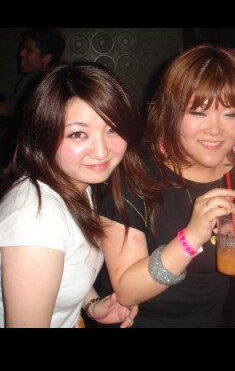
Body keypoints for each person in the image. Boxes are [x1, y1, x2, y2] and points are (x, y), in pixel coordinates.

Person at [95, 44, 235, 328]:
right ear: (172, 113)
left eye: (230, 114)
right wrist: (191, 238)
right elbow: (127, 291)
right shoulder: (137, 173)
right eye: (199, 112)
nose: (215, 130)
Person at [0, 62, 142, 328]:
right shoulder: (35, 220)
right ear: (44, 133)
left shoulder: (78, 184)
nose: (101, 151)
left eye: (112, 129)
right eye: (78, 134)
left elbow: (67, 267)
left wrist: (92, 304)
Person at [0, 28, 66, 168]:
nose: (21, 53)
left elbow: (7, 110)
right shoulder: (32, 79)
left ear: (46, 58)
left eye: (28, 50)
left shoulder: (44, 84)